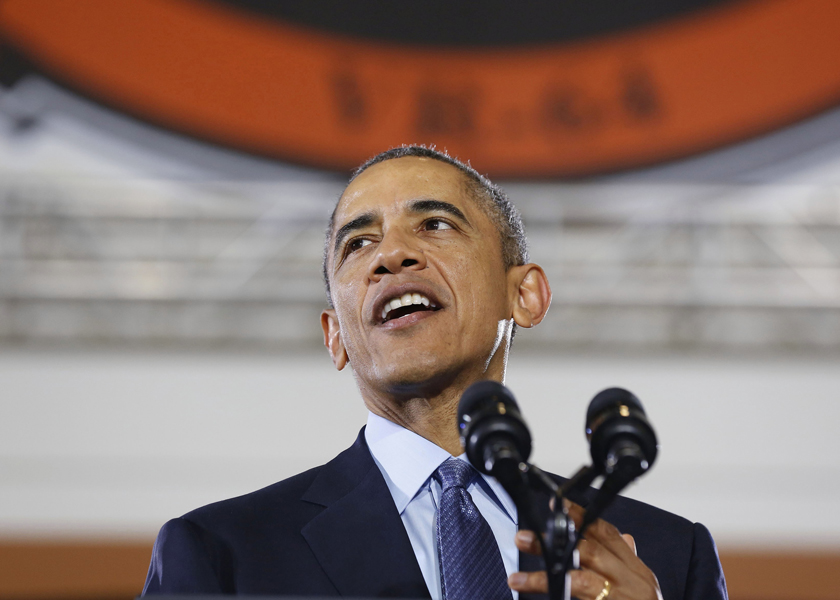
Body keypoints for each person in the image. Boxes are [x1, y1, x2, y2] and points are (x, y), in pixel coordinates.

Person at [143, 146, 728, 599]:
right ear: (335, 336)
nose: (390, 255)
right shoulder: (225, 554)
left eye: (435, 225)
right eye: (358, 243)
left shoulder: (667, 556)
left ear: (525, 295)